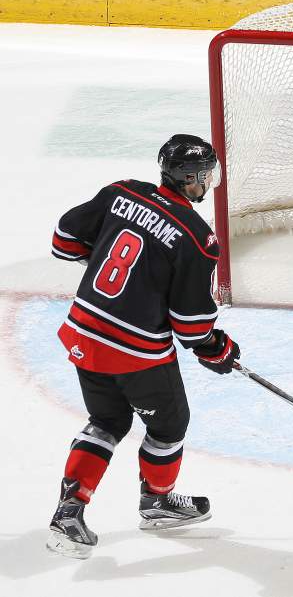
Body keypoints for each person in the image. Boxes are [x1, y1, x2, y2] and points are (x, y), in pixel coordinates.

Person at [46, 134, 241, 560]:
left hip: (84, 334)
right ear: (193, 179)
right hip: (135, 352)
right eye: (206, 175)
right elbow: (191, 325)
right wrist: (217, 348)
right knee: (169, 426)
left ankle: (69, 513)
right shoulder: (196, 236)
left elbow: (63, 240)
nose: (208, 182)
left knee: (107, 421)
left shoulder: (121, 192)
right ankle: (157, 501)